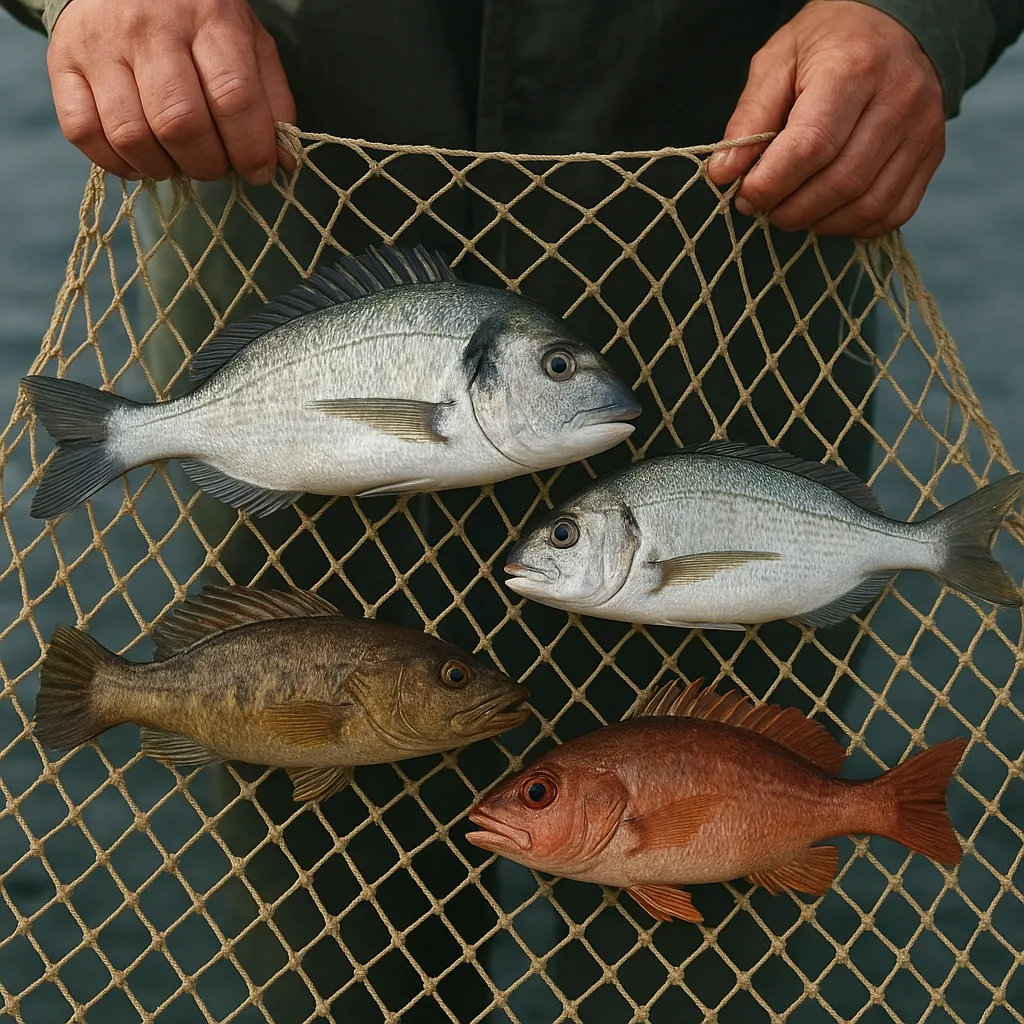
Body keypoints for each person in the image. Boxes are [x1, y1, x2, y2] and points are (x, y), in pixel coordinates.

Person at [4, 1, 1023, 1022]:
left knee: (703, 947)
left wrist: (918, 18)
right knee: (331, 968)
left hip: (733, 277)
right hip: (276, 225)